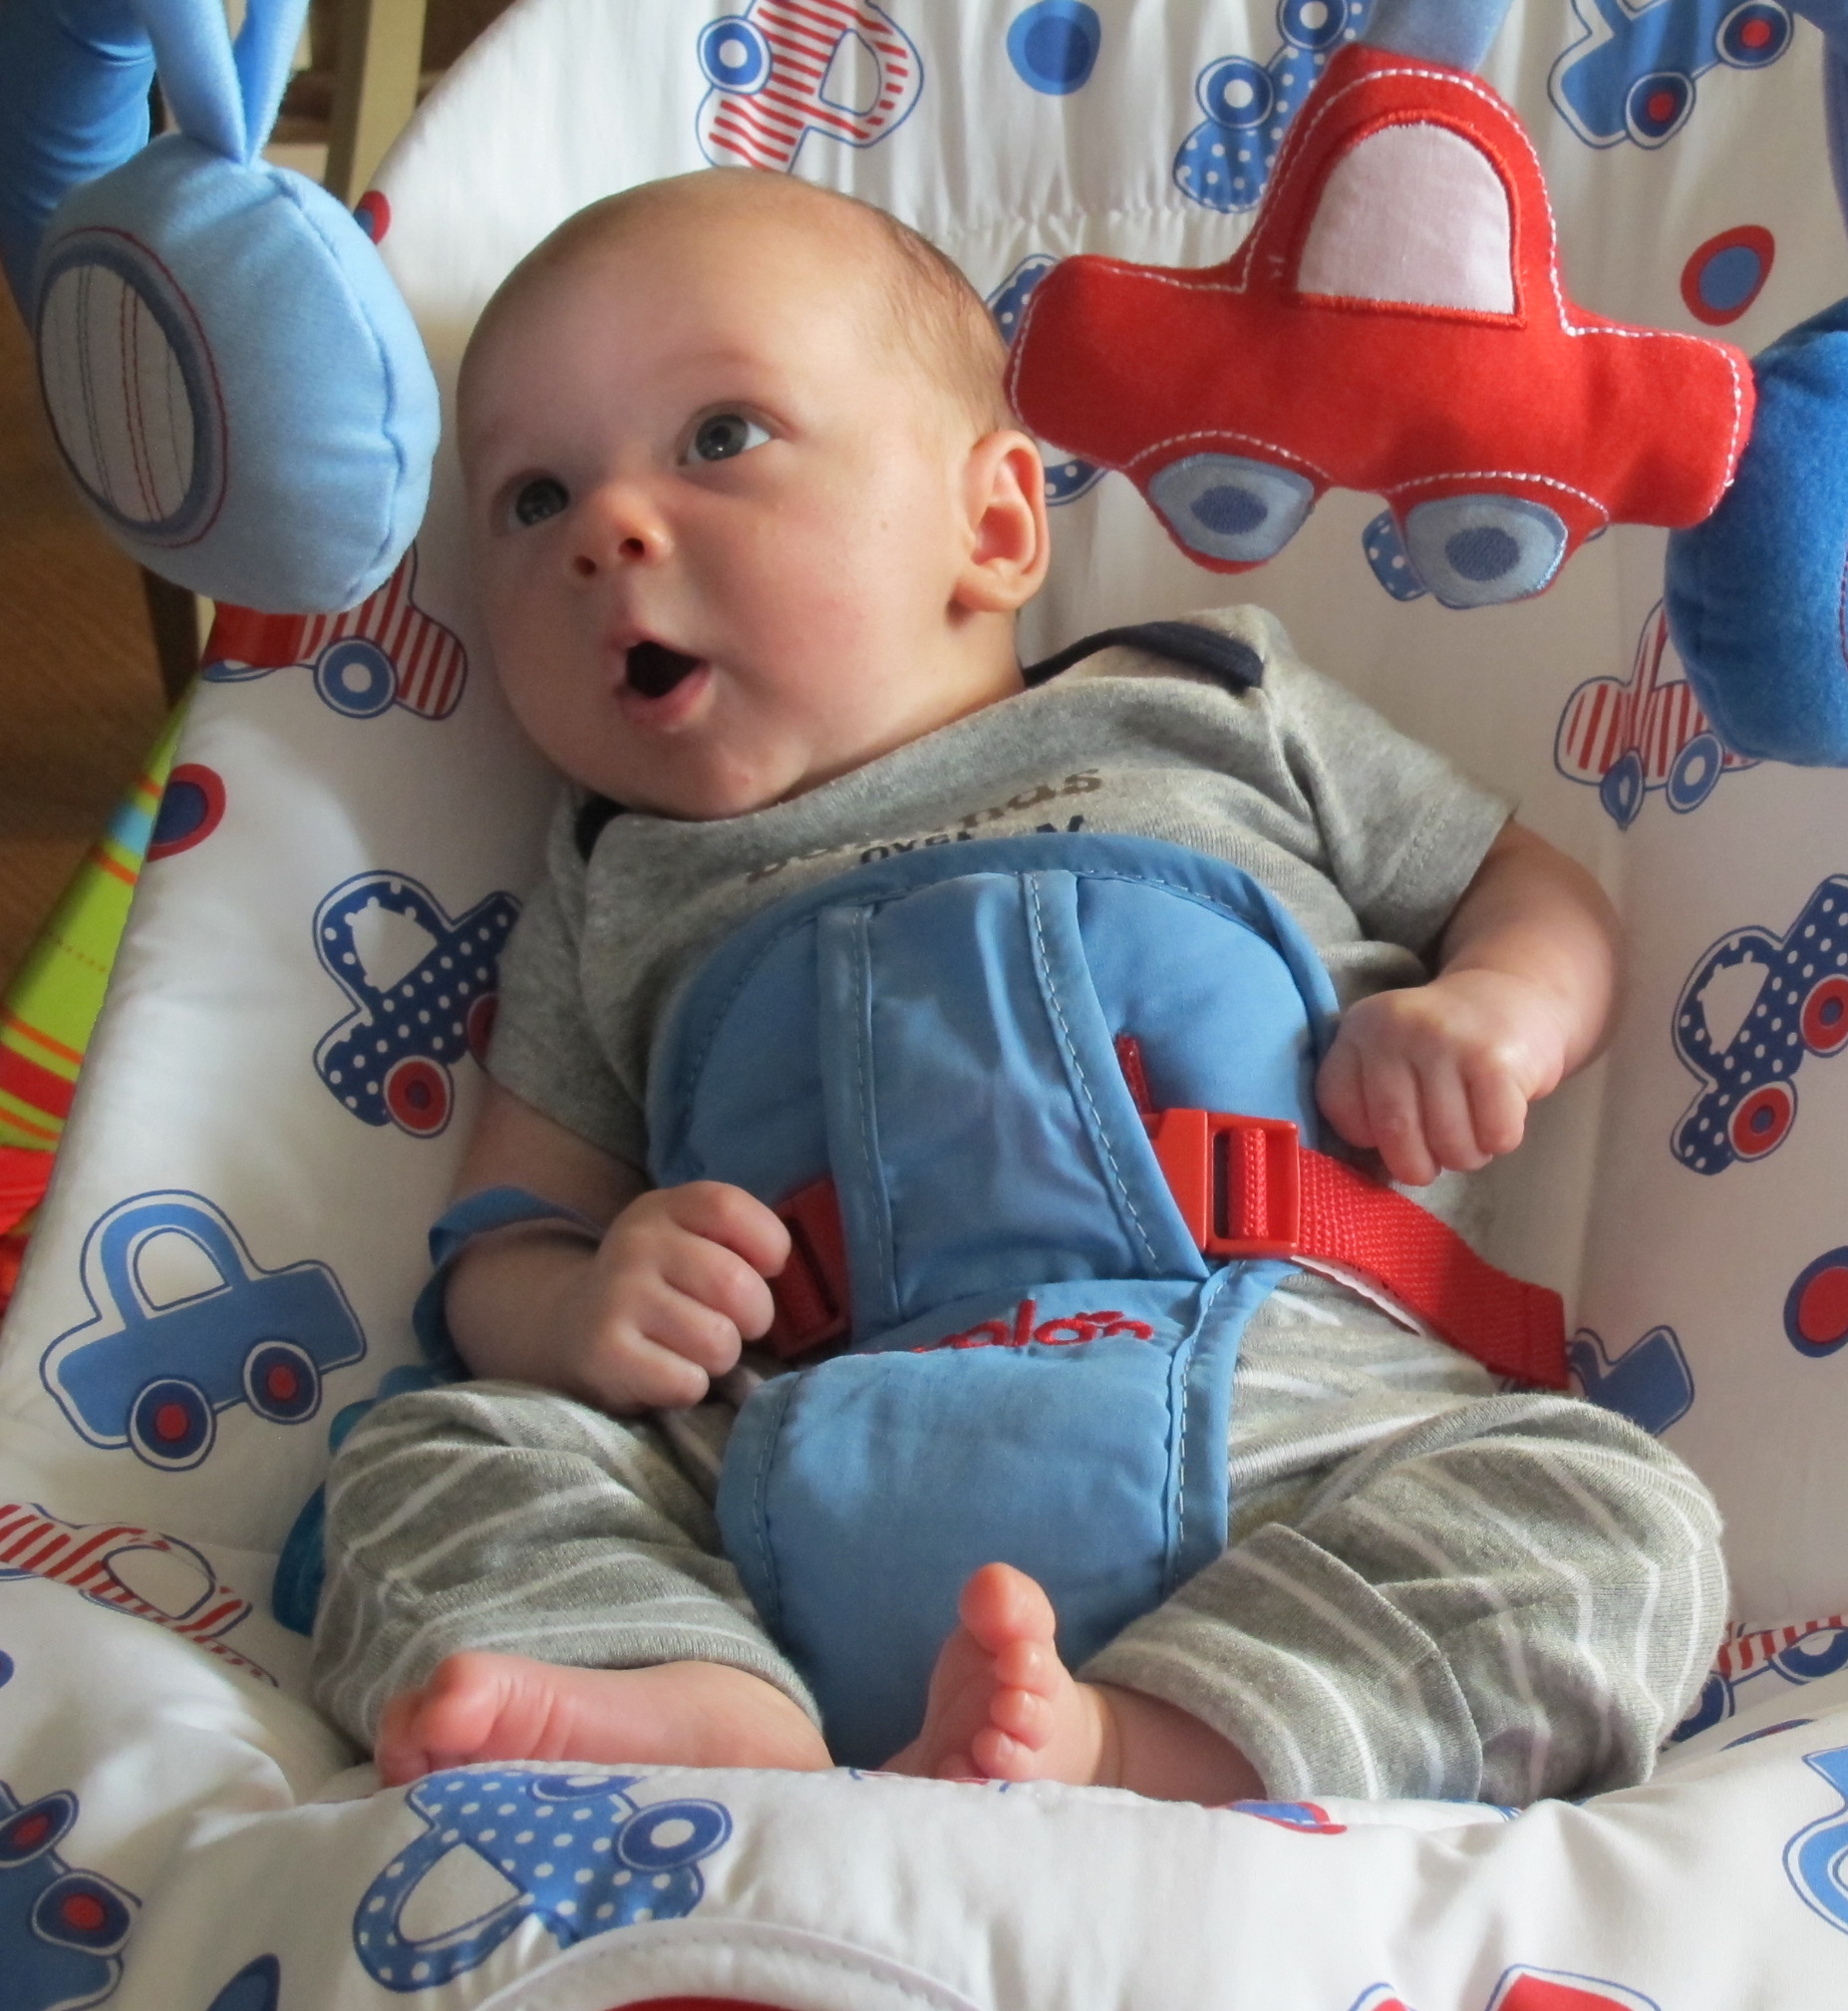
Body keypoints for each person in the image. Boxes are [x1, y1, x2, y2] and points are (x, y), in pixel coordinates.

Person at [309, 167, 1726, 1810]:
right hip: (783, 1480)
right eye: (531, 498)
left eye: (719, 438)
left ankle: (1154, 1747)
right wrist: (578, 1305)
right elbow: (501, 1238)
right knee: (426, 1462)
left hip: (1300, 1451)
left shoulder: (1215, 706)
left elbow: (1526, 886)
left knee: (1615, 1520)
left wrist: (1500, 1011)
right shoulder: (614, 883)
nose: (607, 532)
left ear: (990, 527)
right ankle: (704, 1707)